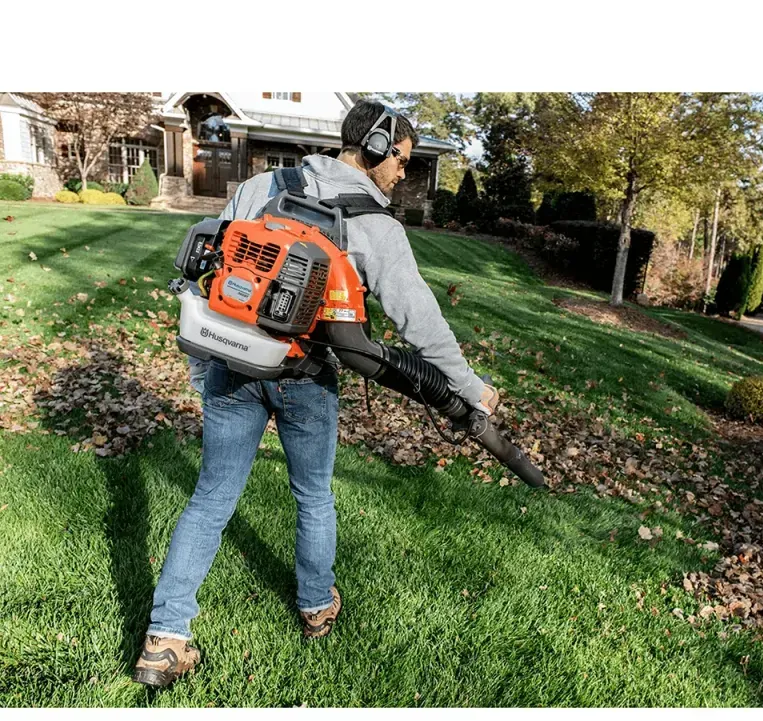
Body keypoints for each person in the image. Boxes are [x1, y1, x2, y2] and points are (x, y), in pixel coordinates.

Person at [133, 100, 500, 688]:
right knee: (313, 497)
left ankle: (165, 636)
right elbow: (421, 322)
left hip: (232, 365)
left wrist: (203, 369)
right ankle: (315, 607)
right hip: (305, 377)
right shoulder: (377, 228)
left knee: (210, 499)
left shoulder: (260, 187)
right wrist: (469, 387)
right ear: (374, 149)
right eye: (401, 158)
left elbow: (207, 273)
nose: (403, 171)